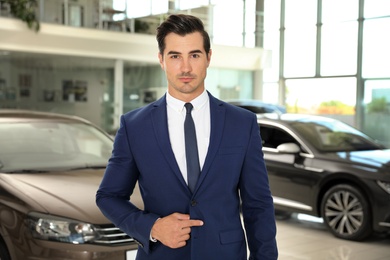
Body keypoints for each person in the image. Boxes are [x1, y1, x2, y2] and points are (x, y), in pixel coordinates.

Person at [96, 14, 278, 260]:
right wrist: (152, 227)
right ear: (161, 60)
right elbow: (108, 197)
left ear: (208, 58)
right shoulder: (134, 126)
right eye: (175, 56)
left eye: (194, 55)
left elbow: (258, 204)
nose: (185, 68)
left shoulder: (242, 123)